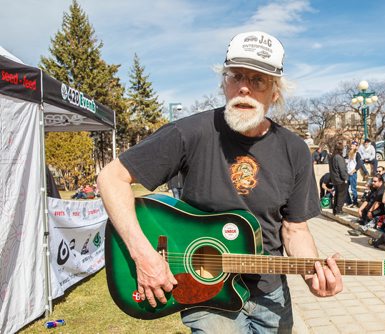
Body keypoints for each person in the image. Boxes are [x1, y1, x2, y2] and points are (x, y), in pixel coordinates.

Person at [97, 31, 342, 333]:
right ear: (224, 84)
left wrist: (311, 276)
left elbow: (295, 229)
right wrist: (144, 256)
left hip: (269, 291)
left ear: (275, 92)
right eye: (236, 76)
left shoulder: (295, 149)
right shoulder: (189, 132)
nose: (244, 88)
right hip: (204, 292)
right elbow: (111, 178)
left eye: (258, 81)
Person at [329, 142, 349, 216]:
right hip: (340, 180)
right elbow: (342, 169)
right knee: (341, 195)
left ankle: (335, 210)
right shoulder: (339, 157)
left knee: (337, 194)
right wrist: (345, 178)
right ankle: (339, 210)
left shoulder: (332, 157)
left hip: (335, 179)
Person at [345, 141, 362, 208]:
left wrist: (353, 171)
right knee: (345, 188)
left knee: (353, 189)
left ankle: (355, 203)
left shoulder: (357, 154)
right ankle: (349, 201)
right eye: (351, 145)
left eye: (353, 145)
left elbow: (359, 164)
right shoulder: (349, 153)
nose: (352, 146)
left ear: (356, 146)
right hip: (347, 173)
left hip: (352, 174)